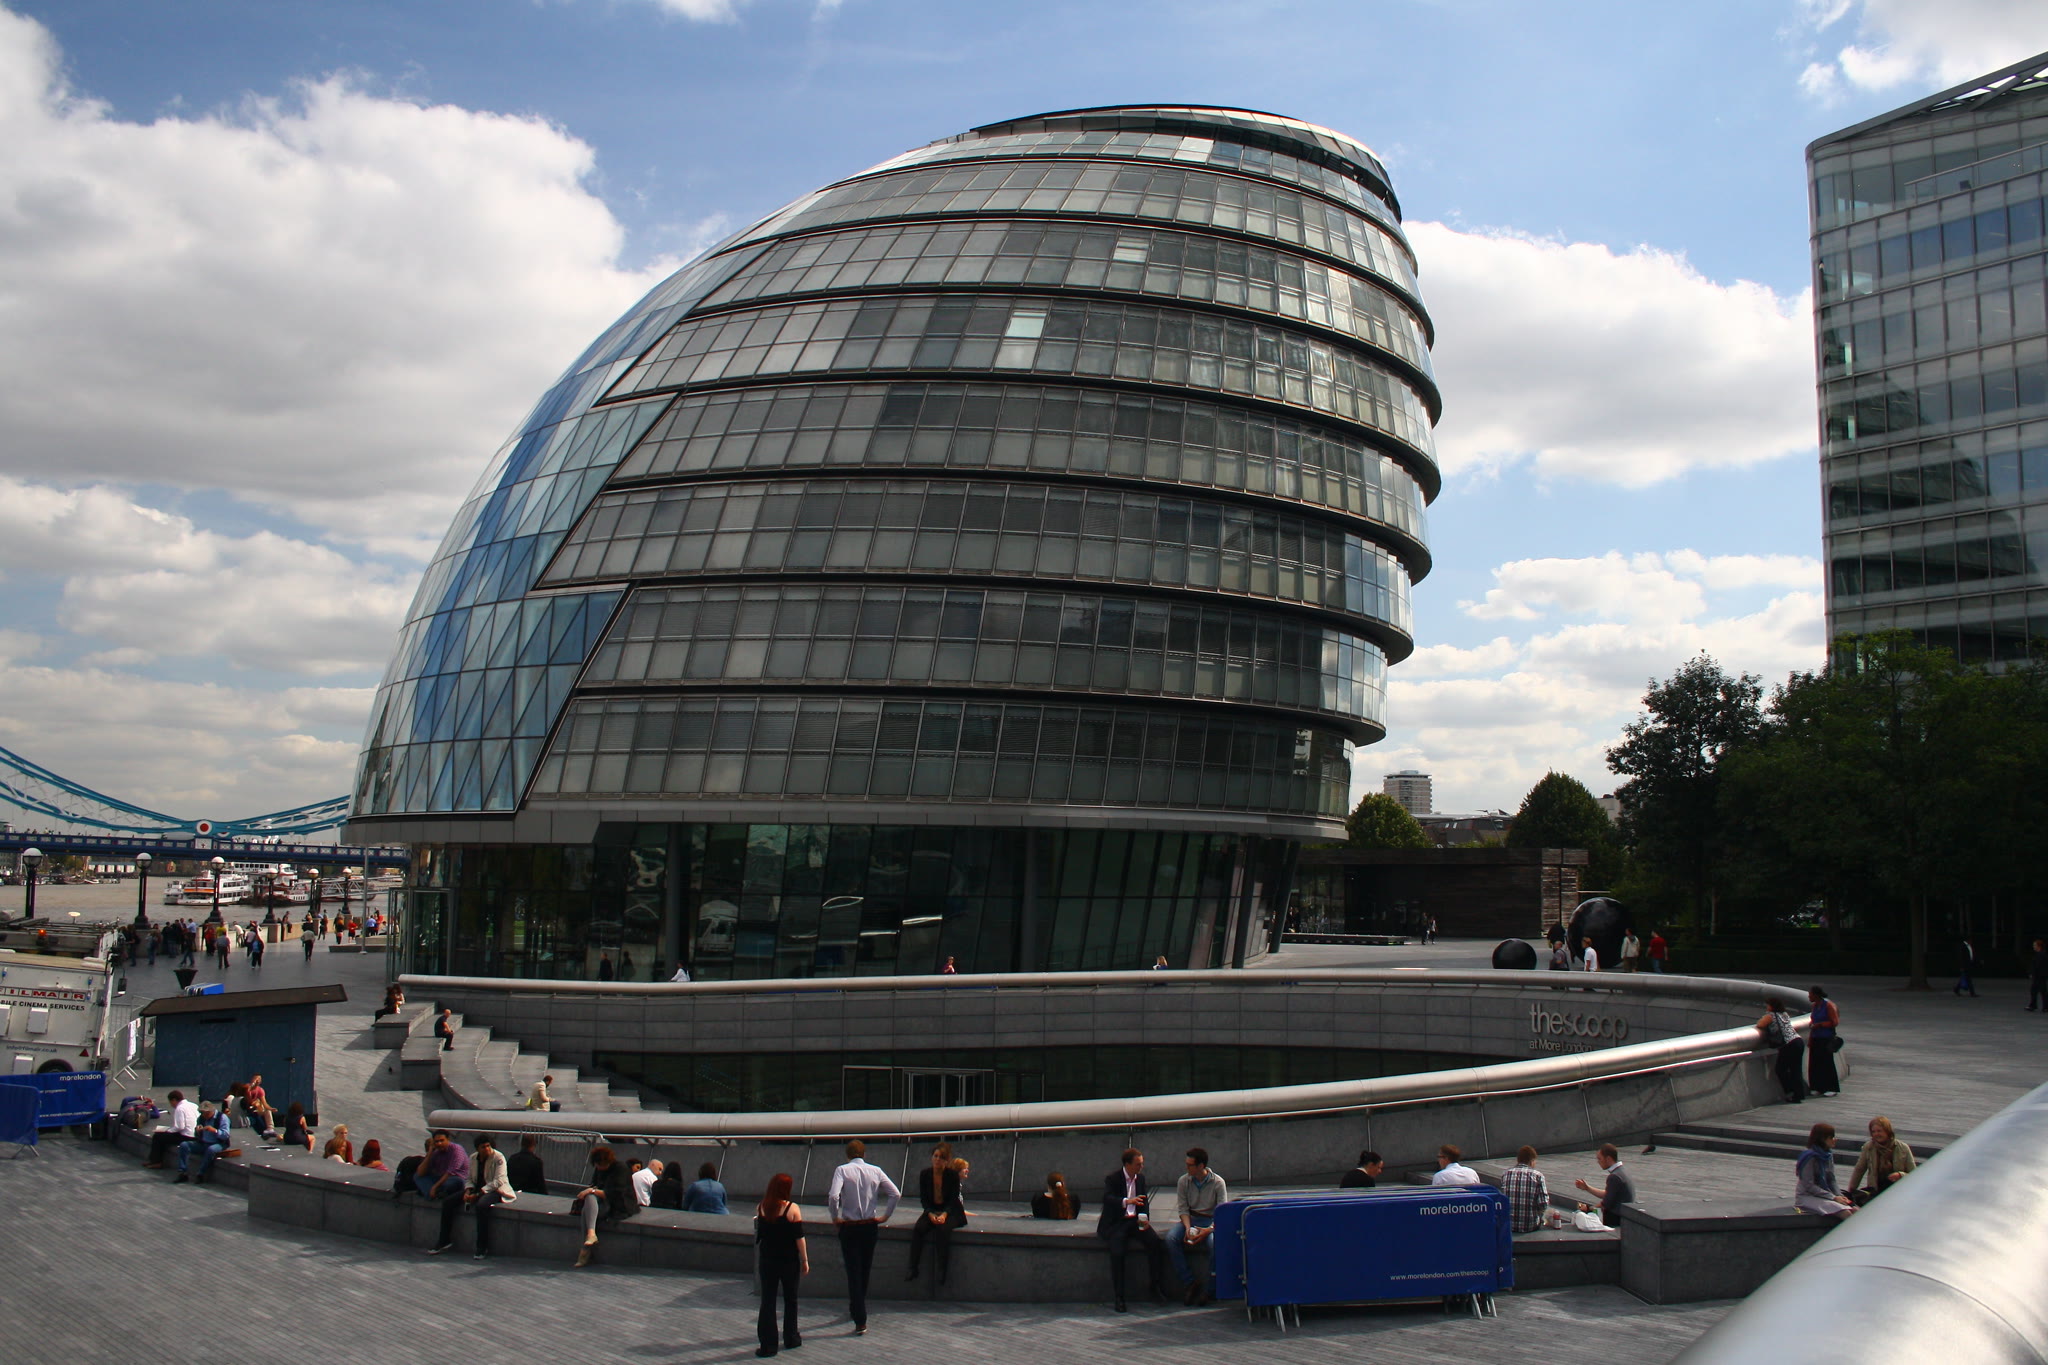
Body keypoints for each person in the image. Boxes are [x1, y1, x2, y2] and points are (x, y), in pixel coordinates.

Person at [828, 1139, 900, 1336]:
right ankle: (857, 1306)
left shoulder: (842, 1170)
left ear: (847, 1155)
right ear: (864, 1154)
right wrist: (885, 1216)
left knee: (853, 1271)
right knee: (865, 1268)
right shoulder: (875, 1170)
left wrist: (834, 1217)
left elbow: (834, 1196)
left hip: (850, 1226)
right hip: (869, 1225)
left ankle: (859, 1317)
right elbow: (895, 1193)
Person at [1096, 1147, 1172, 1313]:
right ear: (1127, 1164)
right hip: (1117, 1222)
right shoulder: (1113, 1179)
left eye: (1142, 1164)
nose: (1141, 1167)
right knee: (1117, 1252)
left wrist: (1145, 1218)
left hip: (1135, 1221)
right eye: (1138, 1164)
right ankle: (1119, 1296)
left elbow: (1144, 1201)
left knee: (1155, 1243)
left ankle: (1155, 1287)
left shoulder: (1141, 1179)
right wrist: (1127, 1201)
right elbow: (1108, 1198)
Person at [753, 1172, 808, 1357]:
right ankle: (791, 1337)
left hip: (767, 1260)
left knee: (767, 1301)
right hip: (788, 1261)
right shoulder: (792, 1209)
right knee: (791, 1299)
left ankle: (768, 1345)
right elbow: (799, 1237)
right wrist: (805, 1260)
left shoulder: (761, 1207)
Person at [1166, 1147, 1227, 1306]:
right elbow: (1183, 1209)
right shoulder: (1183, 1181)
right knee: (1171, 1238)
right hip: (1191, 1219)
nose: (1187, 1168)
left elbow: (1222, 1213)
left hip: (1210, 1221)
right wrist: (1187, 1228)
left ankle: (1210, 1289)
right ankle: (1189, 1282)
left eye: (1190, 1165)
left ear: (1201, 1166)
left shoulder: (1218, 1183)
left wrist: (1208, 1230)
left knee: (1214, 1244)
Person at [905, 1141, 965, 1286]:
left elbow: (953, 1199)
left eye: (941, 1157)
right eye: (935, 1156)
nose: (937, 1160)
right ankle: (913, 1268)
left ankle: (941, 1270)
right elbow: (924, 1199)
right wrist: (930, 1214)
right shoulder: (925, 1174)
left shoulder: (952, 1176)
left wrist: (944, 1214)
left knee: (943, 1230)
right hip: (932, 1209)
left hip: (951, 1211)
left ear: (946, 1160)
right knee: (919, 1229)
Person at [571, 1144, 637, 1268]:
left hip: (619, 1205)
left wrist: (592, 1191)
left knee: (586, 1209)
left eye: (600, 1165)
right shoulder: (599, 1169)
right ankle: (591, 1235)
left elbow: (615, 1194)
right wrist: (592, 1191)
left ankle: (585, 1250)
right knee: (589, 1200)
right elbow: (596, 1186)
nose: (598, 1168)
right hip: (603, 1202)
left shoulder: (621, 1169)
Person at [461, 1135, 516, 1260]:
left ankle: (482, 1247)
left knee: (481, 1206)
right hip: (477, 1188)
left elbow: (498, 1181)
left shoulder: (498, 1157)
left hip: (495, 1190)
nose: (487, 1149)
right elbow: (469, 1178)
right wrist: (468, 1191)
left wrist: (478, 1194)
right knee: (449, 1201)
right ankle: (444, 1240)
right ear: (477, 1149)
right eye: (483, 1147)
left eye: (488, 1146)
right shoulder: (473, 1158)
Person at [418, 1130, 472, 1253]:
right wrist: (430, 1153)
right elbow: (420, 1172)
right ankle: (433, 1194)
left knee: (450, 1183)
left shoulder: (457, 1149)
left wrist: (434, 1187)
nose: (439, 1144)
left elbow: (451, 1172)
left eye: (442, 1141)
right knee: (417, 1177)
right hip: (441, 1181)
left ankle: (433, 1193)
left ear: (448, 1140)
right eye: (436, 1142)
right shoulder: (436, 1153)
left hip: (457, 1180)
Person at [1795, 1123, 1855, 1219]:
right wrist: (1833, 1197)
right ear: (1823, 1139)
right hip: (1807, 1196)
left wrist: (1839, 1195)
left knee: (1855, 1210)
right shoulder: (1809, 1157)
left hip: (1825, 1194)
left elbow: (1831, 1179)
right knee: (1845, 1212)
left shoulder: (1828, 1155)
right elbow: (1809, 1186)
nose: (1835, 1139)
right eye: (1831, 1137)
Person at [1573, 1143, 1636, 1226]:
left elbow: (1605, 1204)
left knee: (1579, 1212)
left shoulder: (1614, 1177)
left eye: (1600, 1159)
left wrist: (1588, 1209)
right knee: (1582, 1209)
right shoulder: (1622, 1171)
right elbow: (1608, 1194)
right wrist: (1587, 1188)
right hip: (1624, 1216)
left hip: (1616, 1219)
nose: (1598, 1162)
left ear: (1608, 1159)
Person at [1759, 998, 1807, 1103]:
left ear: (1771, 1006)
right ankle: (1799, 1094)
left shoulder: (1770, 1015)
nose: (1767, 1007)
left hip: (1788, 1044)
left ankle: (1790, 1092)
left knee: (1780, 1069)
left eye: (1768, 1005)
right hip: (1798, 1041)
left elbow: (1760, 1024)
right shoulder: (1784, 1014)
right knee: (1796, 1070)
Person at [174, 1102, 231, 1184]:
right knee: (184, 1145)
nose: (204, 1116)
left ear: (211, 1111)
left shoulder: (222, 1118)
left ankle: (201, 1174)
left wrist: (214, 1131)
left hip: (218, 1143)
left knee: (211, 1150)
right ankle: (182, 1172)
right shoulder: (201, 1118)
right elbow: (196, 1135)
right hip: (203, 1143)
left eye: (206, 1114)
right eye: (202, 1113)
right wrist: (198, 1131)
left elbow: (226, 1135)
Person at [1499, 1146, 1551, 1233]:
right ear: (1532, 1161)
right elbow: (1543, 1204)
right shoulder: (1538, 1176)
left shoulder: (1506, 1174)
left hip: (1509, 1225)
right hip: (1530, 1226)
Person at [1806, 986, 1842, 1097]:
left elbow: (1835, 1022)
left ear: (1816, 995)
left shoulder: (1828, 1005)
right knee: (1815, 1063)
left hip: (1826, 1038)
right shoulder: (1814, 1006)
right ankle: (1817, 1087)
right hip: (1816, 1037)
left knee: (1827, 1063)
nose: (1809, 997)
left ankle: (1831, 1087)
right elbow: (1813, 1020)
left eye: (1810, 995)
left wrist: (1820, 1025)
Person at [2030, 938, 2048, 1013]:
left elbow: (2038, 966)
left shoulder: (2041, 954)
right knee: (2038, 991)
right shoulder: (2041, 954)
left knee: (2039, 991)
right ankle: (2035, 1006)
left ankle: (2036, 1006)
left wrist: (2033, 974)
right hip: (2040, 976)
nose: (2033, 946)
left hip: (2040, 976)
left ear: (2038, 946)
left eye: (2035, 945)